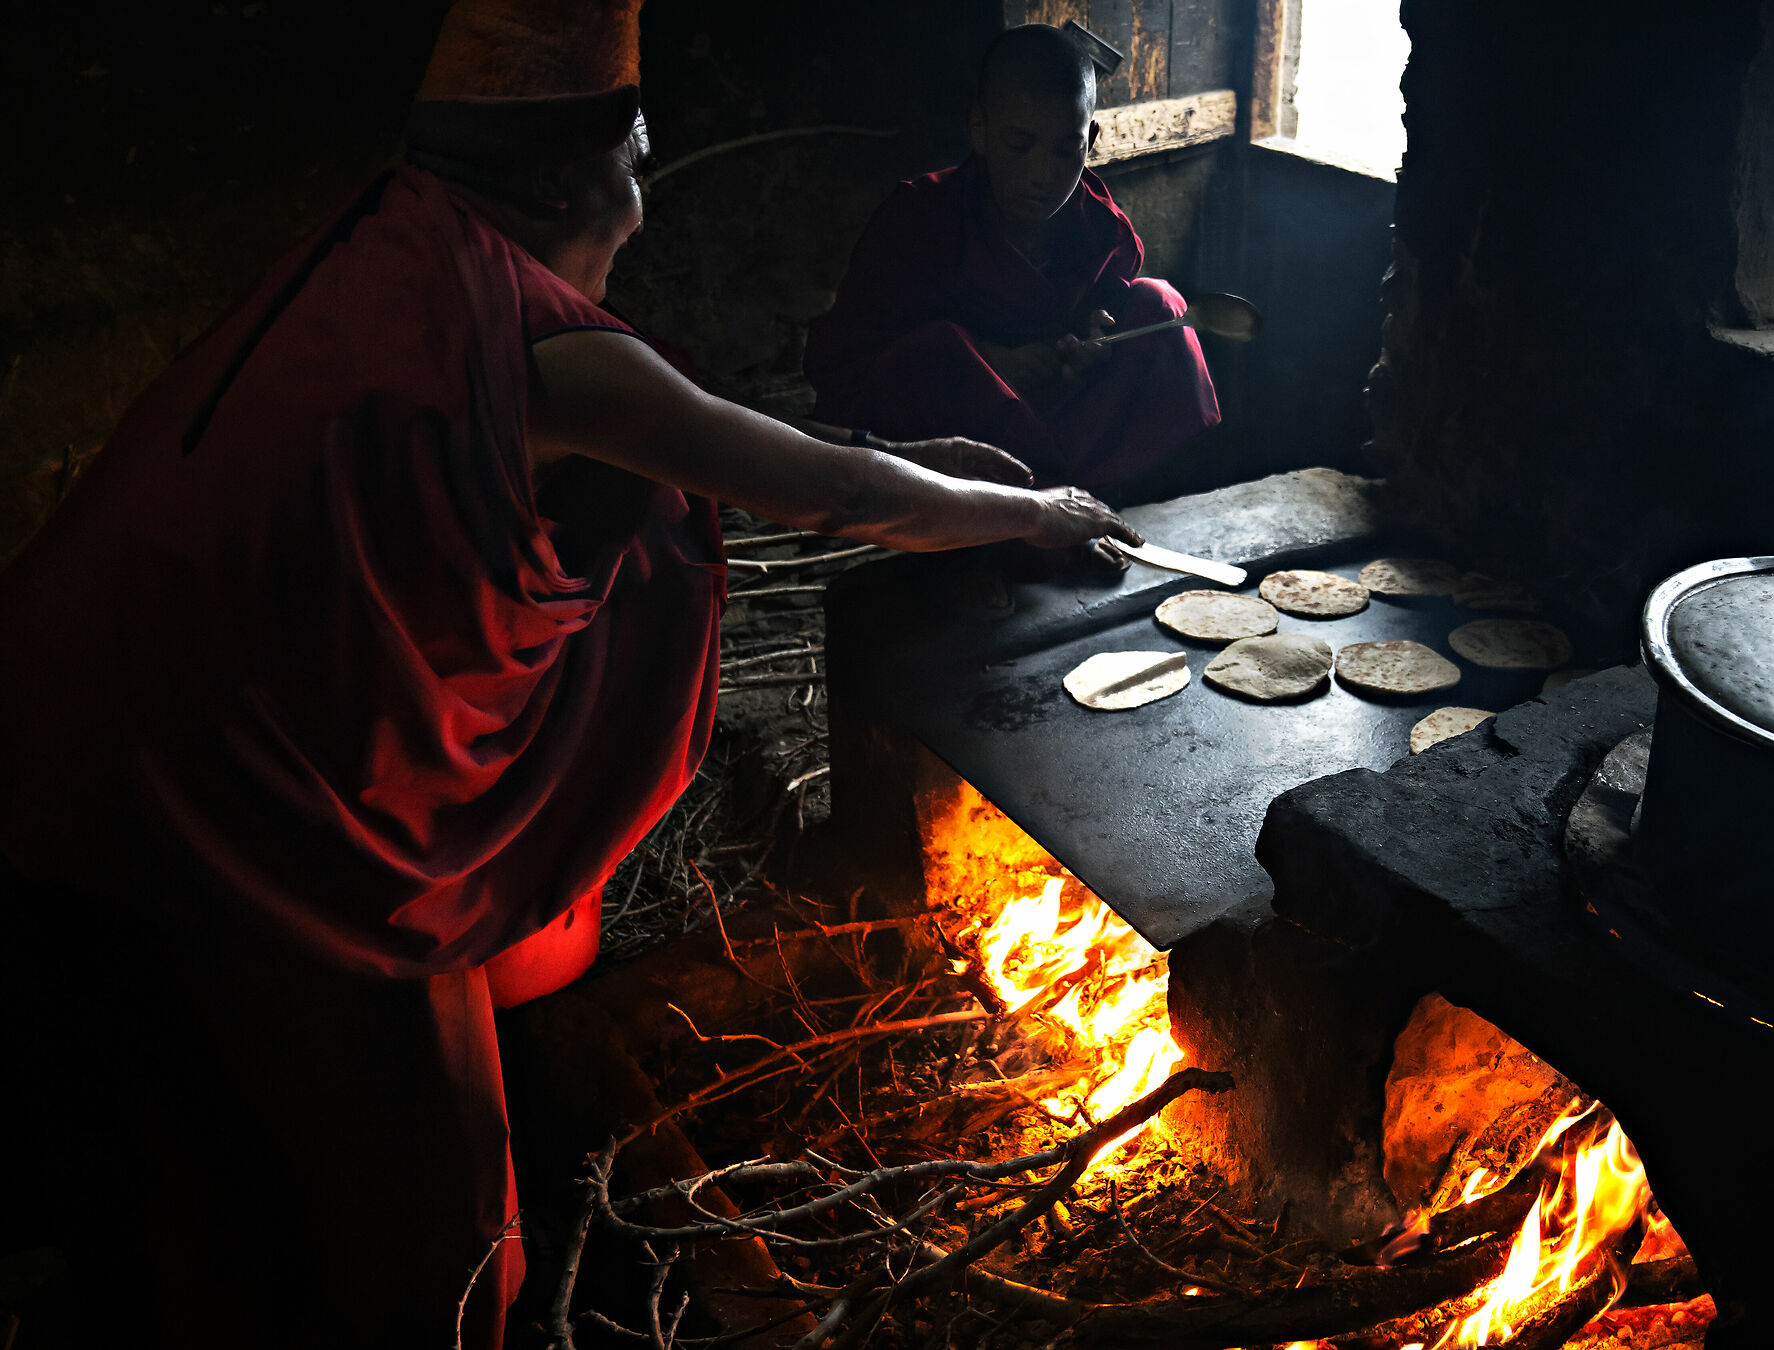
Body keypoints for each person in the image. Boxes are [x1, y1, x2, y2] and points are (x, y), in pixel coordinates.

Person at [0, 2, 1137, 1346]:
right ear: (555, 179)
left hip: (57, 715)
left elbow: (738, 440)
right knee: (425, 1201)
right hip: (218, 785)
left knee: (175, 1142)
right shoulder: (530, 336)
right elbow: (820, 489)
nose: (645, 207)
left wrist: (937, 463)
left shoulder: (385, 236)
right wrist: (1024, 509)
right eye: (637, 164)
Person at [804, 23, 1222, 495]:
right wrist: (989, 363)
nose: (1043, 174)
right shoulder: (919, 219)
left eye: (1068, 149)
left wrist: (1088, 345)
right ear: (979, 130)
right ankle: (1022, 510)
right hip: (953, 444)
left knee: (1161, 305)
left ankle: (1084, 494)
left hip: (1058, 422)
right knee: (945, 350)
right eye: (1020, 146)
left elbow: (1102, 324)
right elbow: (847, 368)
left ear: (1093, 138)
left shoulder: (1104, 231)